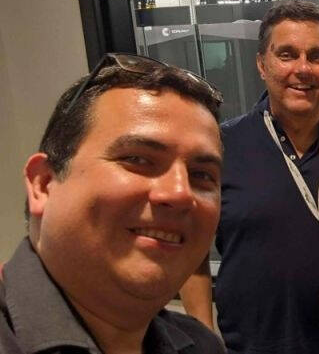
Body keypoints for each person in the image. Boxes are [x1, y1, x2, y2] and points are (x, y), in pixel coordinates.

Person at [180, 1, 319, 354]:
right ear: (262, 64)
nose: (303, 68)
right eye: (287, 55)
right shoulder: (221, 146)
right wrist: (206, 339)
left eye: (316, 56)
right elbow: (191, 249)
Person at [0, 53, 226, 354]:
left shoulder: (200, 346)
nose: (180, 193)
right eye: (137, 159)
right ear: (43, 184)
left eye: (201, 175)